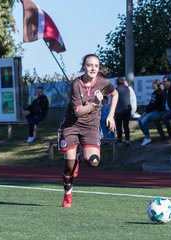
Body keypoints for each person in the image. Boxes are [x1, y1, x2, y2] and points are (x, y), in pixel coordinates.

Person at [58, 54, 118, 208]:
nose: (93, 68)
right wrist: (95, 103)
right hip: (71, 126)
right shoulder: (76, 84)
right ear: (83, 67)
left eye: (96, 66)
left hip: (90, 128)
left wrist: (111, 115)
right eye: (89, 65)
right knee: (69, 166)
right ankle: (67, 195)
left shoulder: (103, 83)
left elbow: (115, 94)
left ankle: (81, 157)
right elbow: (78, 112)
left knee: (94, 162)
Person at [138, 80, 164, 146]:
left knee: (143, 121)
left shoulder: (160, 93)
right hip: (152, 111)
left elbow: (156, 105)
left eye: (153, 84)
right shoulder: (154, 93)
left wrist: (147, 112)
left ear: (156, 84)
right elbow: (151, 104)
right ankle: (146, 136)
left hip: (158, 112)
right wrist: (145, 112)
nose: (152, 85)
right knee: (139, 120)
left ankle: (147, 138)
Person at [115, 77, 132, 146]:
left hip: (119, 111)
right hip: (127, 110)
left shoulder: (116, 90)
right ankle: (127, 140)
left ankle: (119, 141)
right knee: (126, 126)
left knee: (119, 126)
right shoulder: (127, 89)